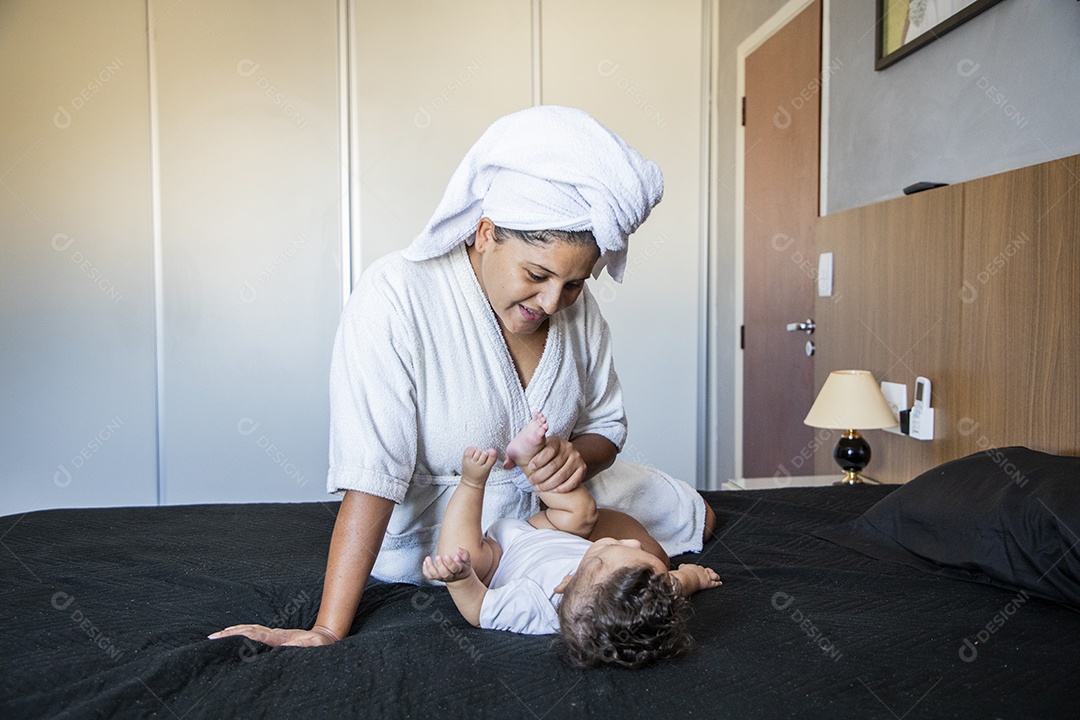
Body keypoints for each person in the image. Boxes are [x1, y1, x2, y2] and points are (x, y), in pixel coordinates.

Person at [210, 106, 715, 649]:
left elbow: (606, 428)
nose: (552, 302)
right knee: (657, 541)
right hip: (457, 525)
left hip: (560, 507)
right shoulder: (397, 296)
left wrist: (575, 458)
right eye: (537, 274)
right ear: (485, 232)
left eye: (573, 283)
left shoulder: (579, 310)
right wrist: (328, 628)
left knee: (701, 520)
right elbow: (374, 473)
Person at [422, 413, 721, 668]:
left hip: (502, 556)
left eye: (606, 554)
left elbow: (478, 610)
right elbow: (676, 583)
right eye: (638, 553)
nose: (632, 543)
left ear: (565, 583)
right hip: (545, 532)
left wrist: (460, 580)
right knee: (583, 512)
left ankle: (471, 483)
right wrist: (696, 576)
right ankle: (528, 459)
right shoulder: (650, 596)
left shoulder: (535, 609)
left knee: (464, 556)